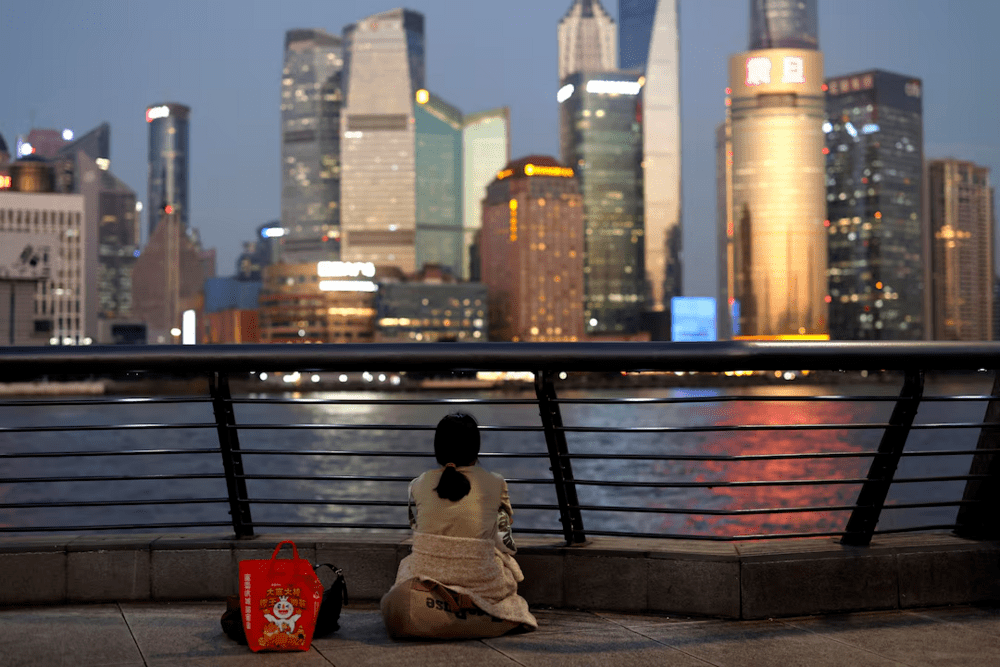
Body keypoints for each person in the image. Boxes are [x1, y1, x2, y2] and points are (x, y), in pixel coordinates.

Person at [380, 412, 537, 639]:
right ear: (475, 448)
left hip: (428, 576)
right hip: (483, 584)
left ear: (438, 448)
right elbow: (505, 544)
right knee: (507, 571)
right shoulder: (495, 483)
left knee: (407, 566)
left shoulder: (419, 484)